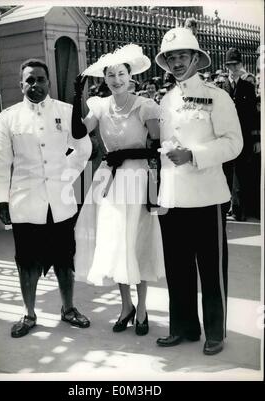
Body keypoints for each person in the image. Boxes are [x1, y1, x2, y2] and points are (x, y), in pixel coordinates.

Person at [155, 26, 243, 355]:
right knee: (177, 269)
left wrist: (193, 155)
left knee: (210, 269)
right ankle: (183, 326)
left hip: (208, 196)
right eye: (171, 58)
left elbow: (235, 143)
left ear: (195, 59)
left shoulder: (217, 97)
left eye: (182, 56)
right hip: (173, 198)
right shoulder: (165, 99)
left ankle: (216, 332)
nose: (176, 63)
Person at [0, 58, 92, 338]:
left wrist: (66, 174)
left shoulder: (66, 111)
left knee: (64, 258)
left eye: (40, 79)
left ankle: (68, 308)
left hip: (60, 201)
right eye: (29, 80)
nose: (35, 85)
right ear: (20, 84)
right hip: (26, 203)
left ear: (48, 82)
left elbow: (84, 148)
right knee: (27, 261)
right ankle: (29, 313)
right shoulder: (8, 118)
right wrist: (2, 200)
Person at [71, 44, 165, 336]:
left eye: (121, 74)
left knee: (138, 243)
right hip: (110, 182)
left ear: (130, 75)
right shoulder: (100, 106)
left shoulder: (145, 106)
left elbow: (156, 149)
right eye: (110, 75)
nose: (116, 80)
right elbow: (78, 132)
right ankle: (125, 306)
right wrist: (77, 97)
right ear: (105, 78)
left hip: (138, 180)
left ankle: (143, 309)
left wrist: (125, 154)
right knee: (116, 244)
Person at [222, 48, 257, 221]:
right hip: (225, 136)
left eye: (236, 64)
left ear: (241, 65)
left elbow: (253, 115)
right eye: (230, 65)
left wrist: (255, 138)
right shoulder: (221, 88)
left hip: (243, 136)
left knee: (241, 172)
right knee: (227, 171)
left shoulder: (248, 87)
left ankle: (238, 209)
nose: (233, 68)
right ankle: (227, 206)